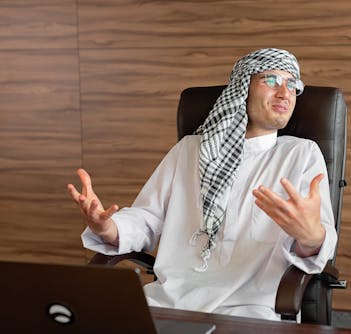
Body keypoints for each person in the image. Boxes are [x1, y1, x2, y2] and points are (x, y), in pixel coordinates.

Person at [67, 48, 337, 321]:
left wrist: (309, 235)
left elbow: (317, 242)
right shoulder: (190, 150)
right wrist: (108, 228)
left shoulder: (301, 154)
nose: (285, 93)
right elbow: (147, 218)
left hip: (251, 309)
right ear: (242, 87)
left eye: (293, 85)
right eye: (271, 80)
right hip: (170, 301)